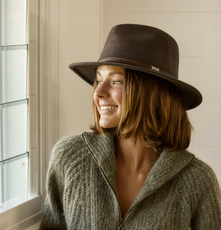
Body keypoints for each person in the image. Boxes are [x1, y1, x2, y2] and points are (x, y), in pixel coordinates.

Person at [40, 24, 221, 230]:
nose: (98, 92)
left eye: (116, 81)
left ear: (151, 93)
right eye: (98, 80)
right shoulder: (70, 157)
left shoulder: (197, 181)